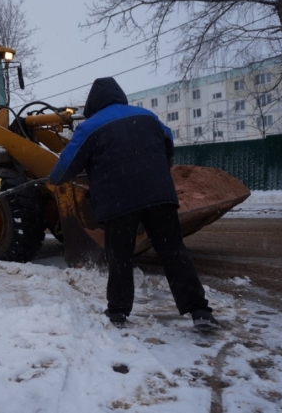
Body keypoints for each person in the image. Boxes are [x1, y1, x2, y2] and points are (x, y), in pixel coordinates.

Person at [49, 77, 220, 331]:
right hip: (158, 195)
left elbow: (65, 167)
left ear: (92, 104)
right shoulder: (147, 116)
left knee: (120, 257)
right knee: (174, 253)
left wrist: (54, 179)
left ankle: (118, 313)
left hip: (119, 201)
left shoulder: (90, 127)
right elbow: (168, 141)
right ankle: (200, 311)